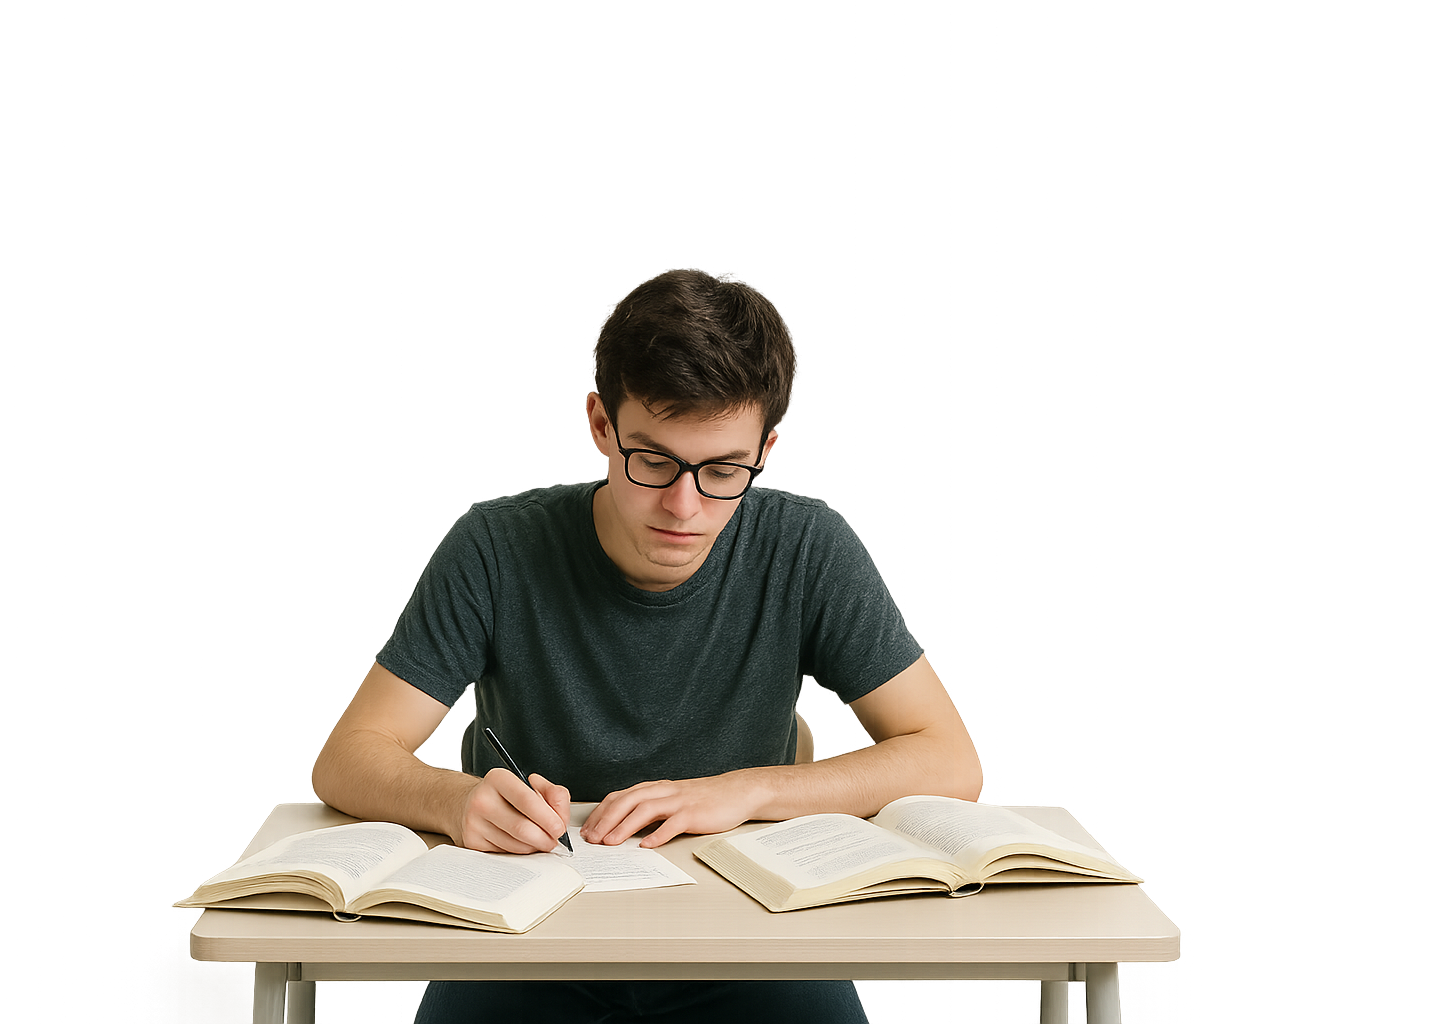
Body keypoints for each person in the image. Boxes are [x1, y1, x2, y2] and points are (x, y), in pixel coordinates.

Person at [311, 269, 982, 1023]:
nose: (684, 507)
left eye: (725, 471)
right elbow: (347, 757)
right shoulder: (497, 547)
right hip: (528, 940)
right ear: (601, 424)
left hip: (750, 941)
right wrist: (455, 800)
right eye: (654, 461)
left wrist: (745, 789)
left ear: (766, 450)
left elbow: (948, 758)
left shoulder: (804, 547)